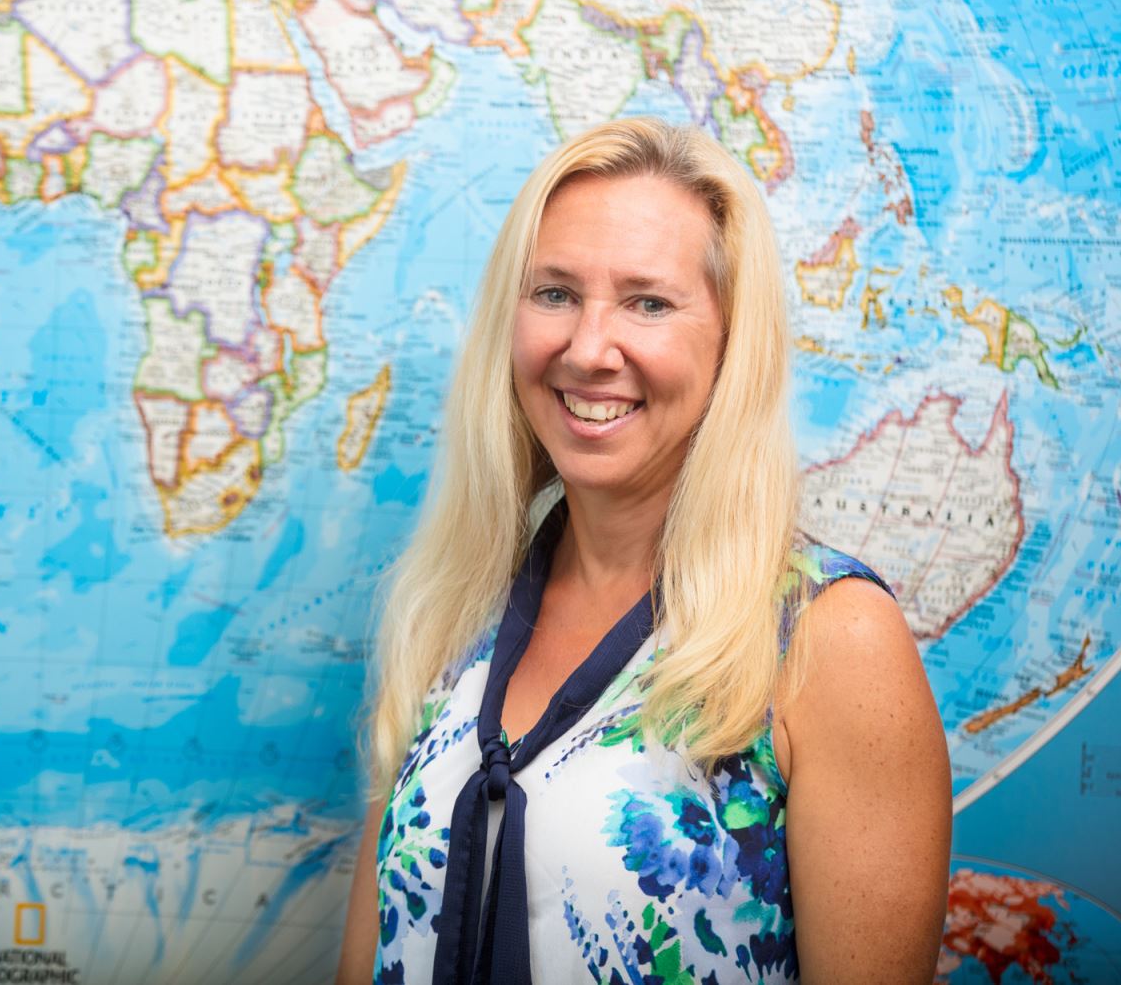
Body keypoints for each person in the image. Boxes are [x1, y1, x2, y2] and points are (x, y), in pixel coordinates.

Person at [335, 118, 951, 984]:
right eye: (553, 293)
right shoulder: (452, 612)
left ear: (731, 344)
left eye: (648, 302)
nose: (587, 349)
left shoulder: (828, 640)